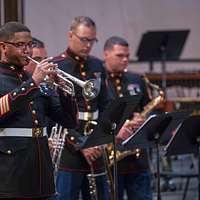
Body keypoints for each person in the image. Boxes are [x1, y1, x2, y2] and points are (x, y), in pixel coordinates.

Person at [0, 21, 77, 199]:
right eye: (20, 45)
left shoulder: (35, 80)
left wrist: (65, 92)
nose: (27, 50)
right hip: (11, 173)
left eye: (30, 44)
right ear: (3, 47)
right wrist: (33, 83)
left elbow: (68, 121)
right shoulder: (31, 81)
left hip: (41, 172)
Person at [52, 16, 109, 200]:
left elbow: (104, 105)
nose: (89, 45)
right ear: (70, 35)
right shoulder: (57, 65)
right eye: (84, 39)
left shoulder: (97, 65)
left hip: (95, 145)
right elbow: (54, 113)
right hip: (70, 148)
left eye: (92, 40)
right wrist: (81, 144)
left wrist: (100, 138)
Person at [103, 36, 153, 200]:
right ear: (106, 54)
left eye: (127, 56)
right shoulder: (98, 80)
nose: (125, 60)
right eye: (119, 56)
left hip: (138, 159)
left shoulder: (136, 79)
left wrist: (144, 120)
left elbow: (151, 111)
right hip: (111, 158)